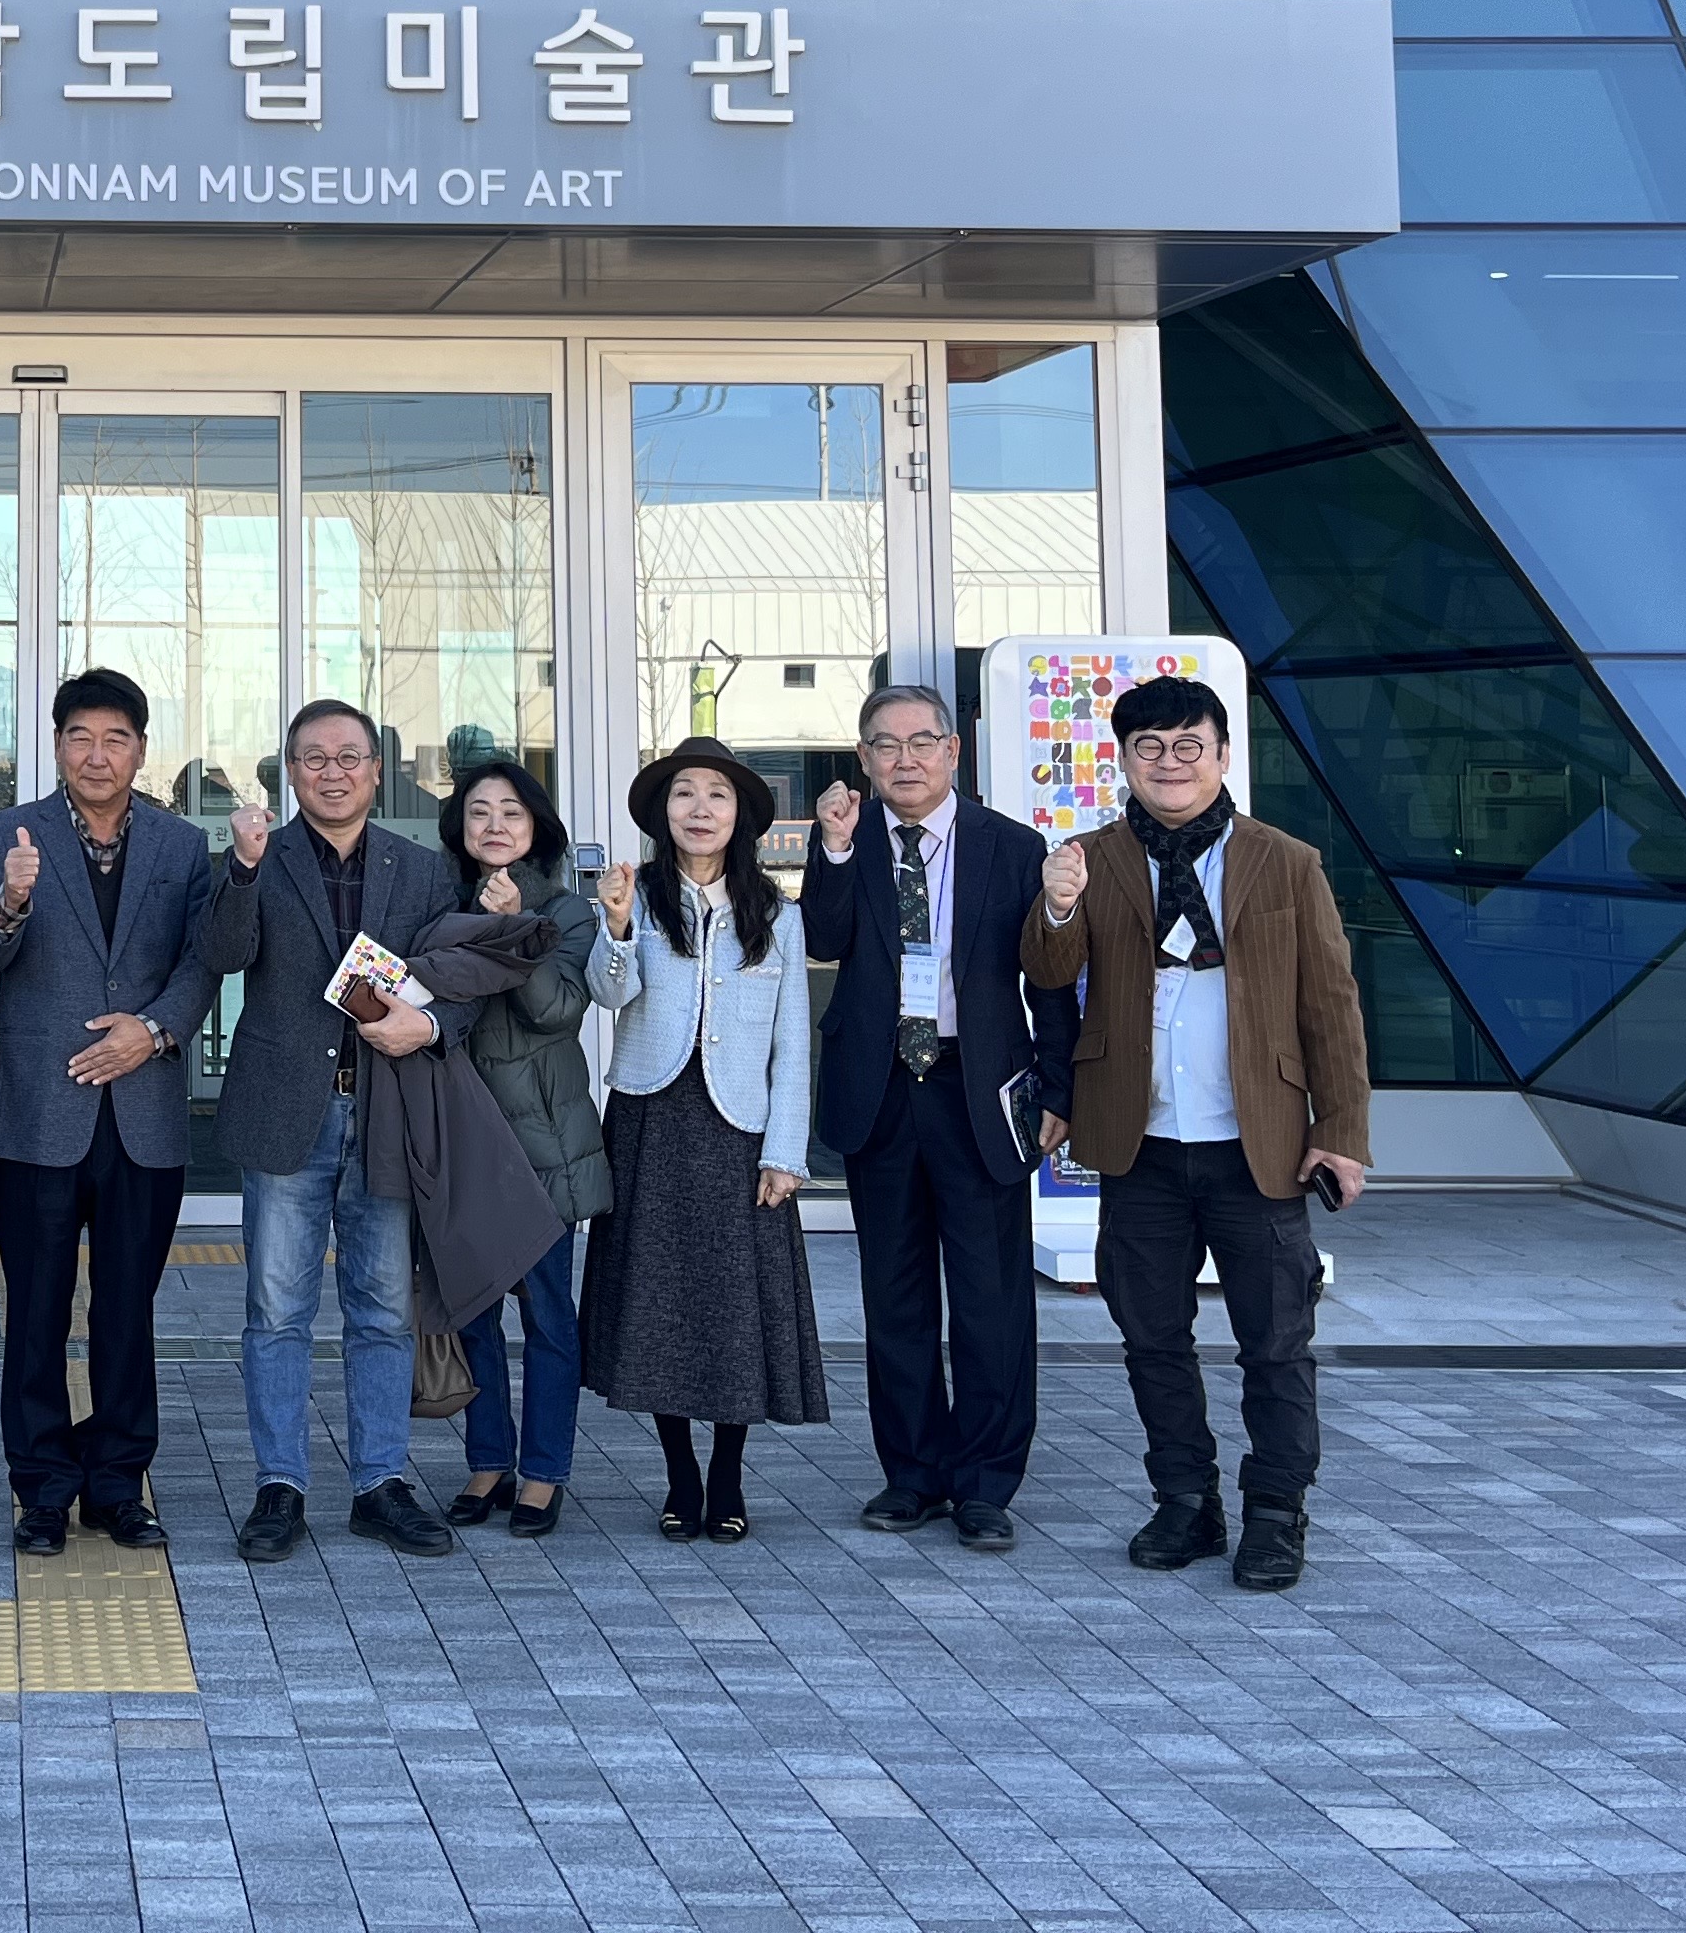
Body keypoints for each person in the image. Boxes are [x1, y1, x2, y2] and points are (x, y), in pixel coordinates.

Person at [1027, 674, 1371, 1594]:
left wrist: (1341, 1129)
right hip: (1137, 1141)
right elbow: (1048, 975)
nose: (1169, 763)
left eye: (1189, 746)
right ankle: (1185, 1501)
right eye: (1149, 747)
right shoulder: (1090, 858)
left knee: (1276, 1343)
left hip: (1258, 1146)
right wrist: (1056, 906)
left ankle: (1276, 1512)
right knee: (1153, 1341)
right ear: (1124, 760)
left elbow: (1332, 1004)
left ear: (1221, 755)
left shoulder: (1286, 861)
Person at [200, 697, 472, 1562]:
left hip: (386, 1113)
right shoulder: (259, 858)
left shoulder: (421, 869)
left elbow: (458, 981)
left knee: (383, 1310)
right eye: (313, 758)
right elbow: (221, 955)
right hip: (287, 1114)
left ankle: (379, 1484)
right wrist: (243, 871)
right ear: (290, 772)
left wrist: (429, 1027)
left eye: (349, 757)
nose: (333, 772)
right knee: (276, 1310)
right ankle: (278, 1486)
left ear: (376, 771)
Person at [807, 681, 1077, 1554]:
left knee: (992, 1298)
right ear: (864, 759)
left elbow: (1050, 979)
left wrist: (1059, 1090)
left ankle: (986, 1483)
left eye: (922, 742)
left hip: (978, 1091)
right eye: (885, 746)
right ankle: (913, 1473)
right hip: (882, 1089)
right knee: (895, 1295)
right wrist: (834, 850)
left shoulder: (1013, 846)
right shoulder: (846, 842)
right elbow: (823, 939)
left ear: (953, 751)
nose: (906, 760)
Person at [0, 667, 216, 1555]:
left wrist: (154, 1030)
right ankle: (41, 1489)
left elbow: (202, 963)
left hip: (143, 1112)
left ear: (141, 750)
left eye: (115, 739)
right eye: (80, 737)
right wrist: (11, 900)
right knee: (34, 1308)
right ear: (57, 745)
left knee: (126, 1312)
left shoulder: (182, 845)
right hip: (39, 1109)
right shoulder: (9, 832)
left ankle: (117, 1484)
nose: (97, 755)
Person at [582, 740, 826, 1545]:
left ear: (740, 815)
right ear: (664, 813)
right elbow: (608, 994)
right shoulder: (638, 899)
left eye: (716, 794)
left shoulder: (777, 914)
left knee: (732, 1312)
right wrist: (617, 928)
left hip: (739, 1130)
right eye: (683, 793)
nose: (699, 808)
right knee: (657, 1304)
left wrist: (785, 1151)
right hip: (651, 1118)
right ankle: (680, 1474)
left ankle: (728, 1473)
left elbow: (793, 1042)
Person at [438, 759, 602, 1539]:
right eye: (479, 812)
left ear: (536, 827)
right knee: (473, 1314)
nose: (495, 825)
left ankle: (543, 1473)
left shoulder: (567, 912)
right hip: (462, 1138)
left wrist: (511, 929)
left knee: (546, 1317)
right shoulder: (440, 906)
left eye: (511, 811)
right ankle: (487, 1462)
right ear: (460, 829)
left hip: (542, 1143)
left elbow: (557, 1010)